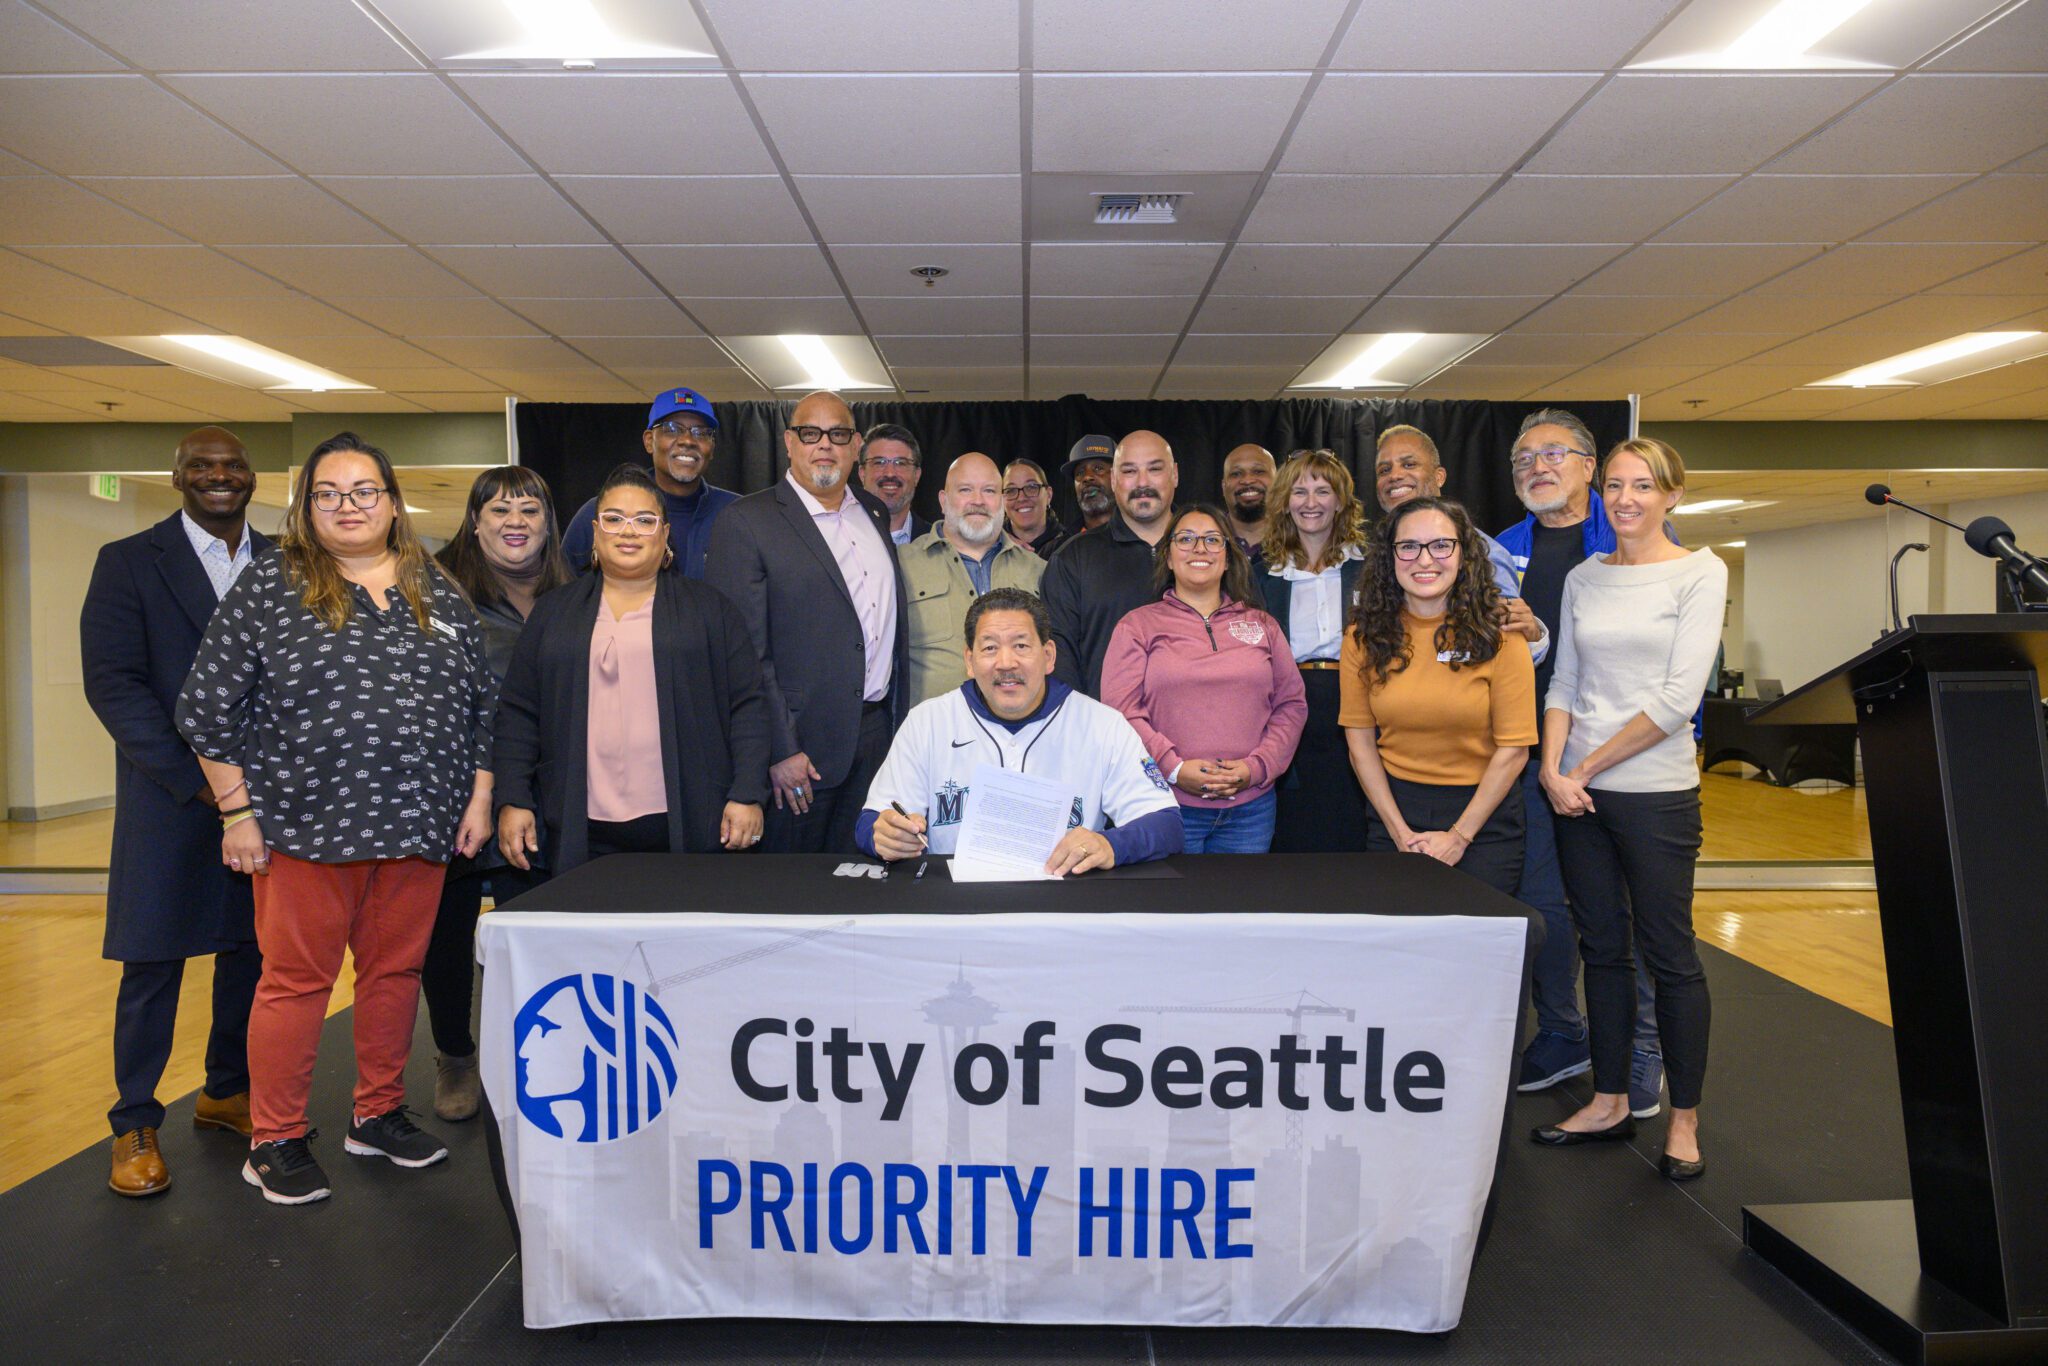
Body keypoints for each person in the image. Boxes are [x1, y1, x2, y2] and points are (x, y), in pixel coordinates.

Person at [176, 432, 497, 1207]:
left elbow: (482, 702)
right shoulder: (271, 585)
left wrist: (479, 798)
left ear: (392, 502)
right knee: (295, 985)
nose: (348, 506)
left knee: (394, 976)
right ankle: (275, 1137)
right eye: (329, 493)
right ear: (306, 505)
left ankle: (378, 1112)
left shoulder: (437, 587)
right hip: (303, 828)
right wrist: (237, 814)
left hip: (420, 827)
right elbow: (204, 709)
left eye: (364, 491)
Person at [81, 425, 270, 1197]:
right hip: (170, 798)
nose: (219, 477)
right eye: (203, 467)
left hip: (268, 800)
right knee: (152, 962)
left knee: (250, 952)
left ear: (252, 478)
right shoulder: (128, 563)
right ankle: (134, 1122)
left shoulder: (288, 563)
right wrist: (202, 782)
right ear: (178, 477)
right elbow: (114, 685)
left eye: (232, 467)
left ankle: (227, 1090)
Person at [1531, 438, 1726, 1183]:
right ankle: (1610, 1098)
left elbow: (1679, 700)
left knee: (1668, 956)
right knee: (1602, 952)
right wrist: (1552, 769)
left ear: (1672, 495)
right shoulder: (1584, 577)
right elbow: (1564, 684)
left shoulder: (1701, 572)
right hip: (1576, 794)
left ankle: (1682, 1121)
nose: (1625, 499)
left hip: (1653, 794)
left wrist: (1578, 768)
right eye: (1613, 485)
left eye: (1643, 486)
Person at [1494, 408, 1666, 1113]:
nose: (1539, 466)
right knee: (1543, 905)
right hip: (1532, 757)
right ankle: (1564, 1031)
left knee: (1624, 913)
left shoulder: (1630, 534)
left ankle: (1643, 1050)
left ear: (1589, 467)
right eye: (1525, 458)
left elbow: (1654, 661)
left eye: (1555, 453)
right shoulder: (1500, 548)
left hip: (1620, 758)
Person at [493, 463, 768, 873]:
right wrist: (514, 798)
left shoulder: (710, 610)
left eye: (644, 520)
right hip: (577, 827)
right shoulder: (553, 612)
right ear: (595, 531)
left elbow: (747, 705)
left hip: (692, 823)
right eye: (614, 519)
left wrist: (747, 792)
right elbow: (519, 713)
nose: (628, 530)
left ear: (664, 533)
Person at [417, 466, 571, 1122]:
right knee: (447, 934)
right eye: (499, 510)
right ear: (473, 521)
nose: (516, 522)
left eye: (530, 509)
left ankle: (534, 1057)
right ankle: (455, 1053)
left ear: (548, 522)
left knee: (532, 932)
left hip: (547, 790)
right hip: (458, 786)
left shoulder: (577, 590)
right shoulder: (435, 589)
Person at [705, 391, 909, 854]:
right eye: (810, 433)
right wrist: (779, 748)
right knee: (796, 892)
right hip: (800, 750)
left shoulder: (873, 513)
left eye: (837, 434)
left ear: (856, 445)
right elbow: (744, 654)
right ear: (789, 442)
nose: (824, 445)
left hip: (876, 735)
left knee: (863, 880)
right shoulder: (746, 522)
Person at [858, 588, 1182, 874]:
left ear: (1048, 655)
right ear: (969, 661)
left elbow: (1166, 823)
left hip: (1065, 905)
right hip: (955, 910)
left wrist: (1111, 845)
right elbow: (870, 821)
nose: (1006, 662)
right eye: (989, 648)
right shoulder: (927, 722)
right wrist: (882, 834)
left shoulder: (1102, 724)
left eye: (1021, 645)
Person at [1340, 497, 1537, 897]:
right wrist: (1399, 833)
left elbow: (1514, 749)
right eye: (1408, 546)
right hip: (1394, 811)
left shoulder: (1501, 635)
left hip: (1483, 821)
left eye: (1441, 545)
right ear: (1390, 558)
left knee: (1476, 952)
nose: (1424, 560)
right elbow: (1359, 742)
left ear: (1463, 554)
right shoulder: (1362, 637)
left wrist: (1459, 837)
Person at [1101, 506, 1305, 854]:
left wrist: (1255, 768)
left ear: (1228, 559)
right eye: (1186, 539)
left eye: (1213, 540)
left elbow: (1291, 706)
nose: (1200, 548)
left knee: (1240, 907)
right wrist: (1174, 768)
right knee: (1174, 908)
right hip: (1165, 806)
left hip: (1251, 810)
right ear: (1167, 557)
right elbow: (1120, 711)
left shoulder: (1263, 625)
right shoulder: (1136, 626)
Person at [1259, 449, 1372, 852]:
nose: (1310, 503)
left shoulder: (1371, 566)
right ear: (1284, 503)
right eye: (1299, 492)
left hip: (1357, 704)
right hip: (1288, 708)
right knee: (1294, 828)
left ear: (1340, 501)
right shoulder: (1262, 573)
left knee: (1352, 820)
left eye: (1322, 491)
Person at [1374, 424, 1547, 661]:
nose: (1394, 475)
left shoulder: (1484, 553)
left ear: (1439, 476)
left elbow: (1512, 646)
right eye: (1384, 470)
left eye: (1409, 464)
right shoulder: (1378, 553)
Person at [1040, 430, 1180, 697]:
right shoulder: (1072, 559)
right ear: (1115, 480)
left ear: (1174, 474)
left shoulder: (1210, 551)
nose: (1142, 482)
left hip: (1198, 730)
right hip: (1105, 733)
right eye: (1129, 471)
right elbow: (1059, 659)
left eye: (1154, 469)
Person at [900, 453, 1045, 704]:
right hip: (933, 735)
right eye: (965, 490)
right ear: (943, 501)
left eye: (989, 491)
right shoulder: (901, 564)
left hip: (1021, 733)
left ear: (1001, 501)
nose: (977, 501)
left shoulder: (1038, 570)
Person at [562, 385, 738, 577]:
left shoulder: (737, 513)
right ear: (648, 441)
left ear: (712, 447)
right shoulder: (605, 513)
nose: (687, 440)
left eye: (701, 432)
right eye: (672, 429)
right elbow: (563, 589)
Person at [860, 422, 929, 545]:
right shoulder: (839, 538)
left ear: (916, 476)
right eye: (879, 462)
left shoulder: (939, 543)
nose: (890, 473)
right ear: (862, 473)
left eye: (900, 463)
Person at [1048, 433, 1116, 552]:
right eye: (1079, 473)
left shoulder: (1144, 537)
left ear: (1117, 476)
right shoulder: (1057, 550)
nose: (1087, 477)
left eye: (1098, 468)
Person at [1219, 443, 1276, 556]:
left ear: (1278, 481)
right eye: (1236, 474)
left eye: (1258, 471)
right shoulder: (1205, 541)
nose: (1247, 480)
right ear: (1223, 487)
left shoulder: (1299, 540)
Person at [1001, 457, 1063, 556]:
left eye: (1031, 487)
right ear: (1002, 500)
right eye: (1011, 490)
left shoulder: (1071, 547)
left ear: (1048, 495)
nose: (1021, 498)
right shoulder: (988, 549)